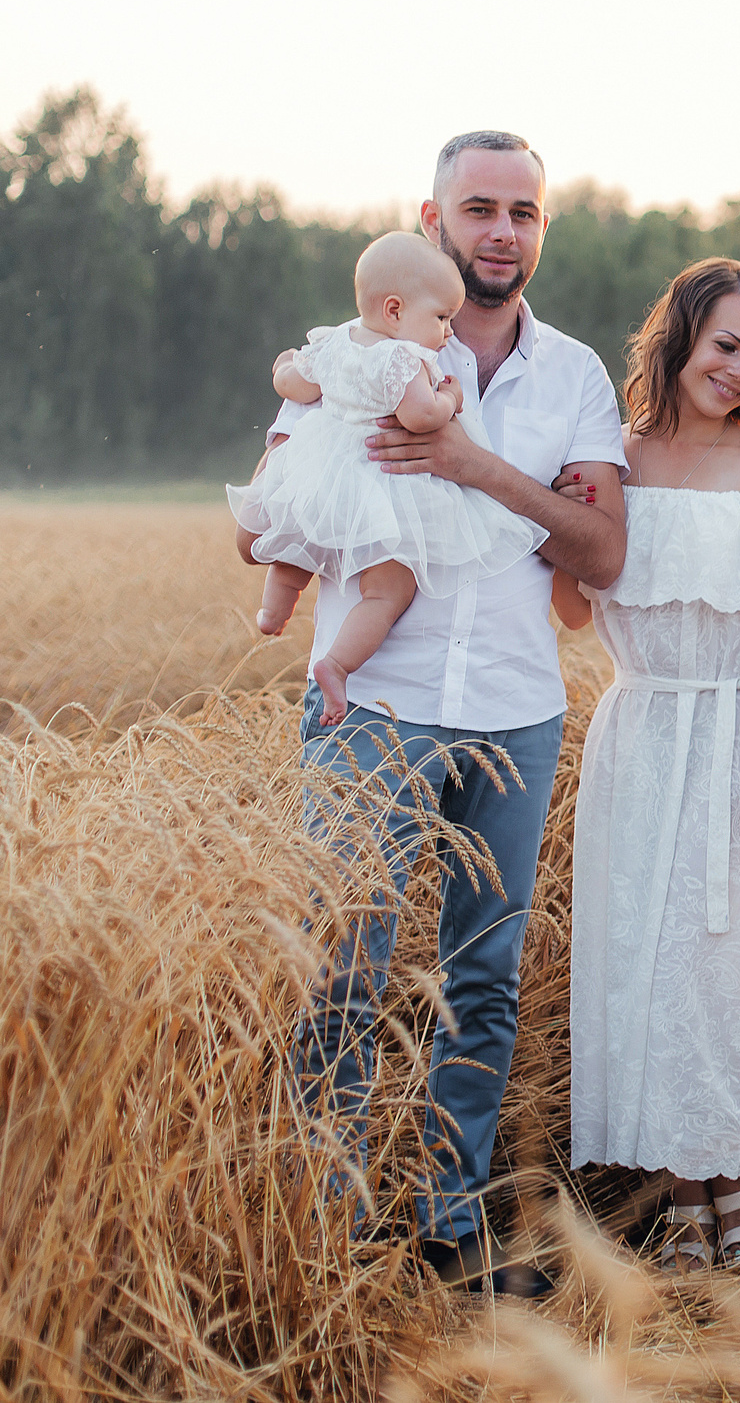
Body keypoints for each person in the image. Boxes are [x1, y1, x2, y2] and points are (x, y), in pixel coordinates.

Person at [267, 130, 628, 1297]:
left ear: (539, 230)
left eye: (523, 212)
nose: (501, 231)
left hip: (517, 713)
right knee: (345, 972)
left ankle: (450, 1228)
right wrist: (309, 469)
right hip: (372, 699)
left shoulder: (571, 375)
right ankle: (324, 1237)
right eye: (479, 208)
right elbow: (260, 519)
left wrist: (471, 465)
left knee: (483, 979)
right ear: (430, 220)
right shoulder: (358, 356)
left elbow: (605, 550)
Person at [551, 258, 740, 1268]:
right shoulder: (613, 463)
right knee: (649, 952)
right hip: (639, 735)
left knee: (737, 958)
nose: (738, 370)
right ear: (677, 336)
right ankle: (682, 1183)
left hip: (730, 739)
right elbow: (569, 604)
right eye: (724, 344)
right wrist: (557, 520)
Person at [229, 232, 543, 724]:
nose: (447, 332)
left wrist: (284, 365)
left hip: (326, 470)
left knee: (303, 539)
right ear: (395, 311)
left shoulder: (335, 342)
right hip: (382, 480)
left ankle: (275, 609)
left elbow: (294, 382)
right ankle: (336, 664)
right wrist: (452, 399)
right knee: (389, 589)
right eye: (441, 318)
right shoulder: (404, 358)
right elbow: (421, 417)